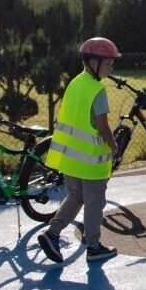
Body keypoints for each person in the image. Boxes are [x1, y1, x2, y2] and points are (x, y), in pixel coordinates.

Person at [37, 37, 123, 264]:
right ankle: (94, 248)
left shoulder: (75, 83)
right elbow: (103, 126)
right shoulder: (97, 90)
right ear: (94, 62)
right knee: (95, 203)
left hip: (70, 159)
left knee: (75, 197)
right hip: (91, 163)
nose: (111, 67)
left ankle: (52, 233)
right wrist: (114, 146)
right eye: (108, 63)